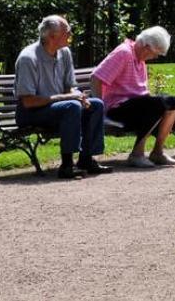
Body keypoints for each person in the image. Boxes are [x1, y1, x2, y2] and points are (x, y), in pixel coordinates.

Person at [15, 15, 109, 179]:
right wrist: (67, 98)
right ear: (52, 36)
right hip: (31, 112)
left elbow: (69, 87)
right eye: (67, 32)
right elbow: (29, 102)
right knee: (71, 106)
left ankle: (87, 159)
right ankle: (67, 166)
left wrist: (79, 96)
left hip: (57, 107)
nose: (70, 35)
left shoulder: (64, 53)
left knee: (96, 104)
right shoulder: (28, 58)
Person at [91, 26, 175, 168]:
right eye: (155, 53)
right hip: (118, 108)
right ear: (146, 46)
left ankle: (157, 152)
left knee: (174, 103)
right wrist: (99, 109)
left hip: (136, 106)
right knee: (158, 105)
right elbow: (96, 77)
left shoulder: (139, 58)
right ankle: (137, 154)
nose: (154, 57)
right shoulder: (124, 53)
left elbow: (141, 91)